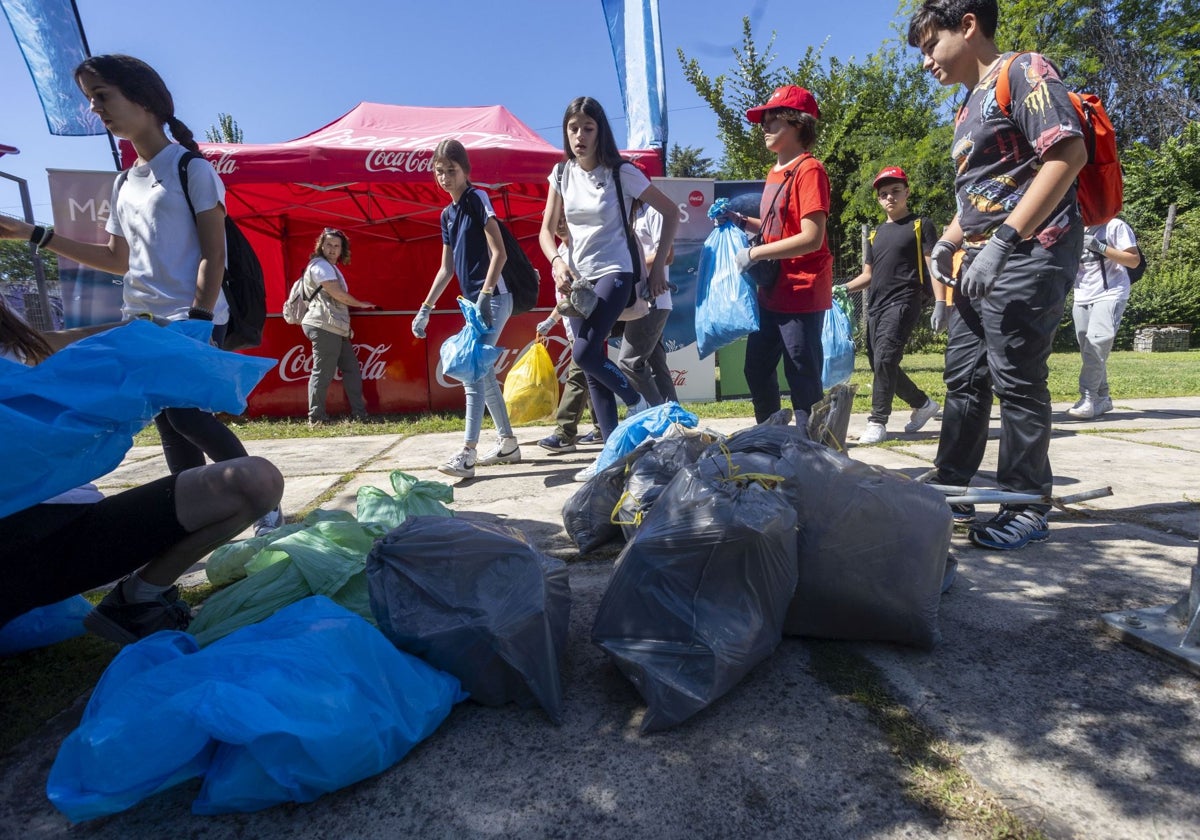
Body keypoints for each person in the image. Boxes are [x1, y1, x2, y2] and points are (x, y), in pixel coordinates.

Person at [0, 54, 282, 537]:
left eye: (103, 96)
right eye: (91, 100)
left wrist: (195, 321)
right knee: (172, 426)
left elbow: (214, 255)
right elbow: (117, 260)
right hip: (141, 323)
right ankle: (199, 516)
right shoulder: (122, 181)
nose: (96, 109)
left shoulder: (191, 168)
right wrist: (32, 234)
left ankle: (266, 506)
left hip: (188, 321)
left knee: (185, 416)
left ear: (145, 99)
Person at [908, 0, 1087, 549]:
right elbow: (984, 195)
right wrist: (947, 242)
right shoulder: (967, 107)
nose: (925, 62)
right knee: (963, 377)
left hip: (1031, 253)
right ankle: (952, 489)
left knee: (1017, 377)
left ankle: (1028, 502)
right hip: (979, 261)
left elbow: (1069, 153)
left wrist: (1004, 241)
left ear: (967, 27)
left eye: (930, 45)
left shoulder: (1023, 70)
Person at [0, 298, 284, 644]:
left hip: (71, 534)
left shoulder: (12, 338)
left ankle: (138, 599)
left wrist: (146, 328)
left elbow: (55, 342)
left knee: (256, 481)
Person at [537, 97, 679, 468]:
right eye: (573, 128)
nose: (579, 136)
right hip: (578, 280)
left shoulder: (622, 172)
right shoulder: (561, 173)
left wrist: (659, 267)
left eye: (588, 127)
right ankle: (612, 460)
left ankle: (637, 402)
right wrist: (555, 261)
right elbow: (546, 232)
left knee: (584, 353)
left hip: (616, 272)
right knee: (594, 367)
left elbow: (671, 212)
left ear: (601, 131)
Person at [726, 85, 834, 426]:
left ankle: (812, 451)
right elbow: (780, 228)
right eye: (764, 122)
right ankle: (771, 437)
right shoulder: (776, 172)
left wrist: (755, 252)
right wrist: (743, 222)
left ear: (799, 125)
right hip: (772, 291)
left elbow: (812, 238)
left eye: (775, 121)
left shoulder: (809, 169)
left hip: (802, 292)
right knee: (755, 368)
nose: (766, 128)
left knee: (801, 372)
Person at [413, 139, 521, 480]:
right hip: (473, 304)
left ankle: (468, 453)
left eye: (452, 170)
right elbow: (446, 269)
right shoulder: (446, 214)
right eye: (439, 171)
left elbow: (499, 252)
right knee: (483, 374)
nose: (445, 177)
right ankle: (508, 444)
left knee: (472, 374)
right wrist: (425, 307)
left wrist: (485, 294)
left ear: (465, 170)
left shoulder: (477, 198)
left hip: (493, 297)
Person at [843, 166, 942, 444]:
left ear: (907, 192)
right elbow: (867, 275)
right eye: (884, 194)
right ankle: (923, 404)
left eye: (895, 191)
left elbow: (932, 265)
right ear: (878, 199)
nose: (890, 197)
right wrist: (840, 289)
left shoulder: (920, 224)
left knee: (885, 359)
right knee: (880, 364)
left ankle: (877, 421)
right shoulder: (876, 233)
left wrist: (941, 302)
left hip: (905, 301)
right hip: (876, 305)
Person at [537, 217, 603, 453]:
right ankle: (602, 428)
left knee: (577, 377)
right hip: (571, 326)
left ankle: (564, 434)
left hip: (586, 325)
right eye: (557, 220)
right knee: (592, 377)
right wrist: (550, 321)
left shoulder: (581, 251)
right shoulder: (560, 253)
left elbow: (583, 294)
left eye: (565, 219)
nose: (561, 224)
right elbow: (564, 299)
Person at [299, 228, 376, 426]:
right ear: (321, 246)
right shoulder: (320, 266)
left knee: (351, 369)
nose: (332, 249)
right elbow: (337, 293)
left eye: (336, 246)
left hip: (335, 326)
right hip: (323, 324)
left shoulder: (329, 267)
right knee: (322, 372)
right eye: (329, 245)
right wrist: (360, 303)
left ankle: (359, 413)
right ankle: (315, 417)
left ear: (342, 249)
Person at [1066, 219, 1141, 419]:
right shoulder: (1070, 227)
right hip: (1082, 295)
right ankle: (1103, 398)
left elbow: (1133, 260)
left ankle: (1088, 398)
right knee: (1089, 350)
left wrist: (1099, 246)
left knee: (1096, 345)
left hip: (1111, 293)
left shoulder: (1115, 225)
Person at [621, 198, 679, 406]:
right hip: (642, 299)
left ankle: (660, 416)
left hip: (653, 298)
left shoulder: (655, 212)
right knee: (656, 364)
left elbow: (668, 256)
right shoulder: (632, 214)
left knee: (630, 363)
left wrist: (627, 266)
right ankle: (675, 419)